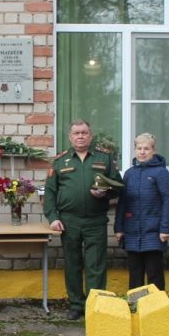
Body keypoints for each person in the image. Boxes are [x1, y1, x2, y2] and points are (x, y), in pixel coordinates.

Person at [44, 120, 122, 320]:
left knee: (96, 264)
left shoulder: (104, 158)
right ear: (70, 137)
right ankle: (76, 305)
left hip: (95, 220)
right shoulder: (60, 161)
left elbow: (118, 186)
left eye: (84, 133)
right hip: (69, 221)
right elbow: (50, 193)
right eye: (76, 133)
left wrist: (104, 193)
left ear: (90, 135)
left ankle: (96, 305)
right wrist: (53, 218)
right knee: (72, 263)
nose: (80, 136)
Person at [113, 132, 169, 291]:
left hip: (153, 231)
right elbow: (123, 202)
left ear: (153, 150)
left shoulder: (161, 173)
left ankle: (156, 308)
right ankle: (135, 306)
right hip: (132, 231)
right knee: (135, 272)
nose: (142, 152)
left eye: (146, 148)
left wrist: (165, 228)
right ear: (135, 150)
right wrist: (118, 228)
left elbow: (168, 200)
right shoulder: (129, 173)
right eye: (139, 148)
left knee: (154, 273)